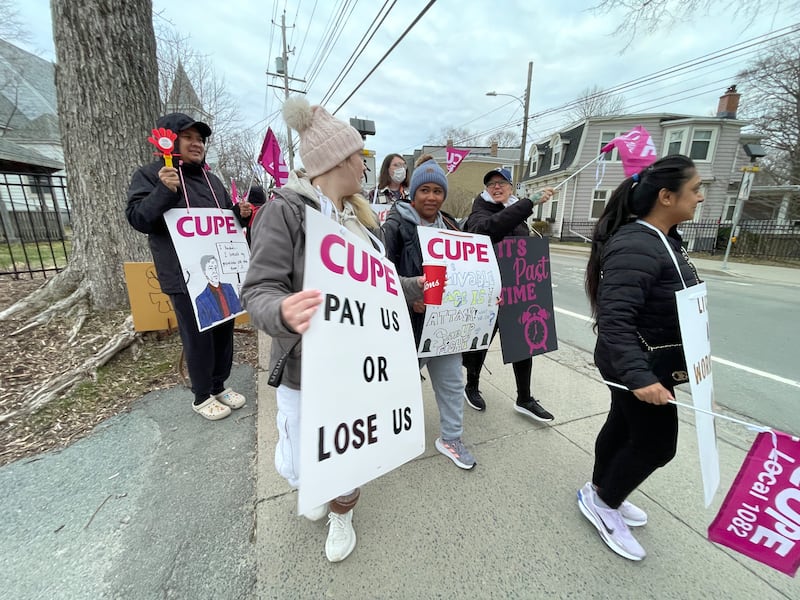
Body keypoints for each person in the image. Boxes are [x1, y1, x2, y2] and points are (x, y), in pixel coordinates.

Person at [240, 96, 383, 563]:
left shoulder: (365, 220)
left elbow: (379, 286)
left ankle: (343, 511)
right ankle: (311, 483)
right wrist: (282, 310)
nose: (365, 165)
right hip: (304, 364)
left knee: (350, 448)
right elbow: (258, 289)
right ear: (340, 160)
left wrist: (414, 288)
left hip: (355, 366)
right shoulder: (284, 211)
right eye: (360, 156)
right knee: (301, 458)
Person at [578, 154, 704, 561]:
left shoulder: (663, 239)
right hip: (637, 366)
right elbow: (614, 319)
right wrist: (639, 377)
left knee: (621, 425)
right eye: (695, 189)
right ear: (667, 196)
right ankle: (605, 503)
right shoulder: (637, 243)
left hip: (650, 363)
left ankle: (598, 489)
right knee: (655, 445)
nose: (700, 197)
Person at [126, 112, 252, 421]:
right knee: (197, 335)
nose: (197, 144)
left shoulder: (211, 179)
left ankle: (219, 385)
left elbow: (224, 221)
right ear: (170, 140)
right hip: (181, 275)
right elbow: (139, 219)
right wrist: (163, 192)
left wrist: (241, 214)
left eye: (200, 139)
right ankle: (201, 395)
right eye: (189, 138)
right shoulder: (151, 174)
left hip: (218, 271)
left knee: (224, 329)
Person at [382, 154, 477, 470]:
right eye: (425, 190)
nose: (432, 197)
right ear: (413, 191)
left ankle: (451, 437)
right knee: (399, 383)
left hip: (443, 325)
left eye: (438, 191)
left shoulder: (450, 225)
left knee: (452, 382)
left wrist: (486, 296)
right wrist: (410, 297)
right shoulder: (394, 226)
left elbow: (468, 273)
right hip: (407, 324)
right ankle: (389, 435)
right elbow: (379, 278)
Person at [460, 167, 554, 421]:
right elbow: (490, 229)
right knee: (480, 343)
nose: (496, 187)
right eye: (491, 184)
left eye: (502, 183)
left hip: (517, 291)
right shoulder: (480, 211)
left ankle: (524, 398)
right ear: (485, 189)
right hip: (488, 292)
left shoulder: (518, 212)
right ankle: (471, 385)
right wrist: (527, 204)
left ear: (511, 187)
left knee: (523, 344)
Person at [195, 254, 243, 328]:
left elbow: (238, 310)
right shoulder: (201, 299)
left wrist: (241, 294)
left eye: (216, 267)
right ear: (205, 272)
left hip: (230, 326)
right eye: (210, 268)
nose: (215, 271)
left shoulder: (228, 287)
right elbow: (205, 325)